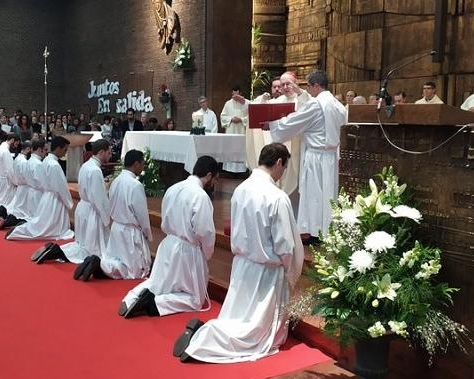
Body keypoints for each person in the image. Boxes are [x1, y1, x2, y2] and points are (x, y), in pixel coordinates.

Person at [173, 143, 304, 363]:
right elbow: (285, 244)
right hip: (266, 272)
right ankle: (205, 337)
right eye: (284, 167)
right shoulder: (277, 197)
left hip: (243, 265)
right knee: (253, 332)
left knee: (238, 316)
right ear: (279, 162)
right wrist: (290, 270)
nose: (283, 173)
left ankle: (206, 334)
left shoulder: (240, 189)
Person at [117, 156, 219, 318]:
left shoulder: (174, 188)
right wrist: (206, 254)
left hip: (168, 243)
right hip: (187, 249)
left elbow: (165, 215)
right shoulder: (200, 196)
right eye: (214, 178)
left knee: (158, 283)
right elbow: (204, 231)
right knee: (195, 299)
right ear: (208, 175)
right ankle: (156, 303)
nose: (214, 183)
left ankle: (132, 298)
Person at [269, 70, 347, 245]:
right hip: (331, 156)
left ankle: (314, 232)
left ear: (316, 85)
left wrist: (273, 125)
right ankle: (326, 230)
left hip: (315, 156)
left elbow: (295, 122)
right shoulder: (336, 104)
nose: (309, 90)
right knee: (328, 194)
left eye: (310, 87)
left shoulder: (317, 105)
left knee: (314, 194)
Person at [72, 150, 153, 281]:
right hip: (129, 232)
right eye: (142, 164)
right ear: (136, 164)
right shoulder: (135, 185)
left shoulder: (116, 181)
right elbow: (141, 213)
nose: (143, 167)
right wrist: (147, 232)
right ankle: (99, 264)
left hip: (117, 228)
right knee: (134, 270)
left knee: (117, 258)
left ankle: (99, 264)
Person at [48, 139, 112, 265]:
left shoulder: (86, 165)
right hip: (92, 211)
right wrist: (106, 217)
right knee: (92, 249)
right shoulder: (95, 170)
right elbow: (98, 198)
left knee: (82, 243)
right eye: (109, 153)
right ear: (101, 152)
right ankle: (64, 253)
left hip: (83, 207)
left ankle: (60, 251)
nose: (110, 156)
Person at [7, 136, 75, 241]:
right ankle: (20, 230)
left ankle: (20, 229)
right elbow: (61, 187)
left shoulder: (46, 160)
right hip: (54, 198)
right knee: (49, 225)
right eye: (65, 150)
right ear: (58, 148)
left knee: (43, 222)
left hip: (47, 196)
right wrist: (69, 203)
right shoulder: (54, 165)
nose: (65, 153)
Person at [0, 141, 33, 229]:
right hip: (25, 186)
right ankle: (13, 218)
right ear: (28, 149)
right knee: (23, 211)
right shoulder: (24, 161)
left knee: (17, 206)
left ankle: (5, 211)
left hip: (21, 186)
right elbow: (27, 176)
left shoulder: (18, 158)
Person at [220, 86, 249, 173]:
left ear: (240, 94)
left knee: (241, 149)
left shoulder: (246, 103)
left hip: (241, 132)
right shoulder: (228, 104)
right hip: (231, 131)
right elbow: (223, 116)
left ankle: (242, 170)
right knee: (230, 149)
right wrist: (231, 119)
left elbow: (251, 116)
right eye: (233, 94)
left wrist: (241, 119)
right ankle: (229, 170)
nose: (234, 97)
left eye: (236, 94)